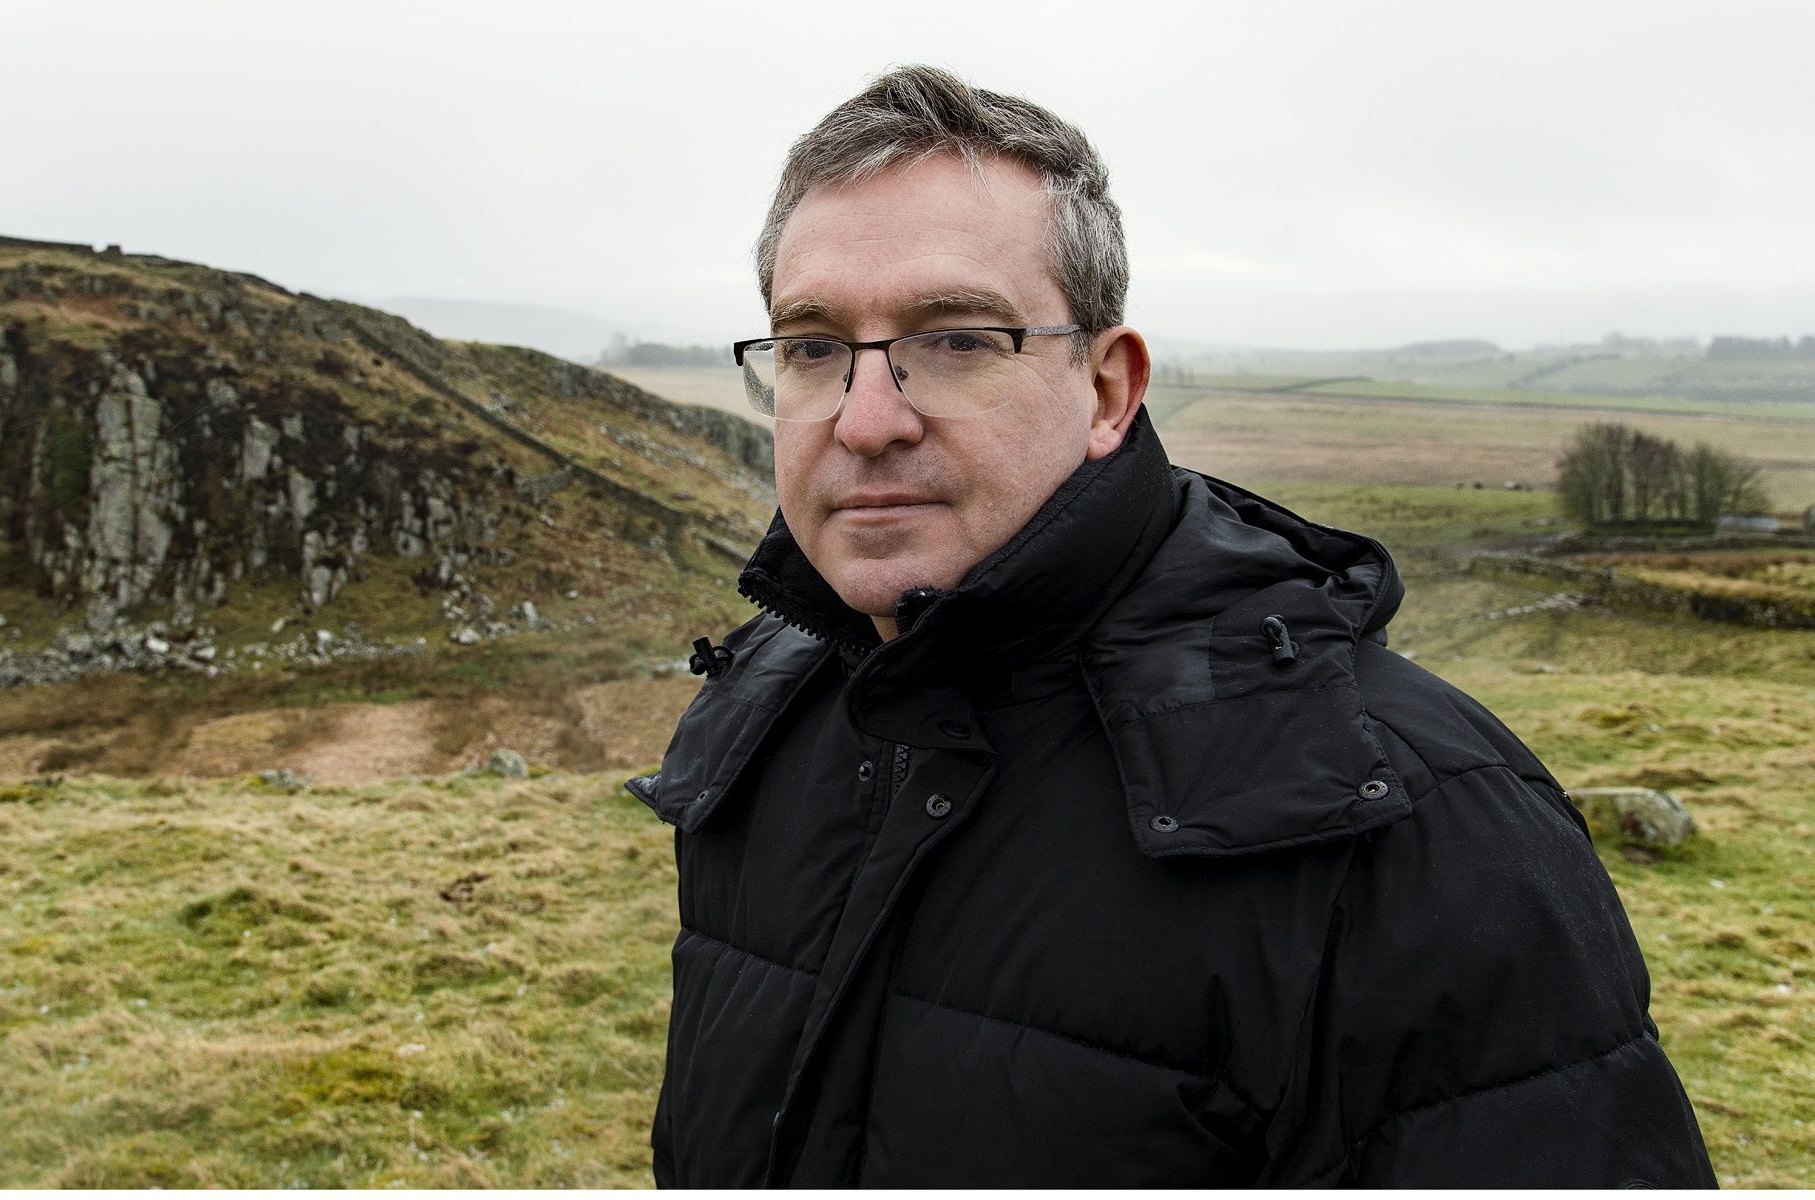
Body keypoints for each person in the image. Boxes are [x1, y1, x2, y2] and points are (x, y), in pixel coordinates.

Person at [626, 65, 1716, 1188]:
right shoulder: (768, 727)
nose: (863, 420)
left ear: (1107, 390)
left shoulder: (1412, 820)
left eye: (954, 340)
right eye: (812, 347)